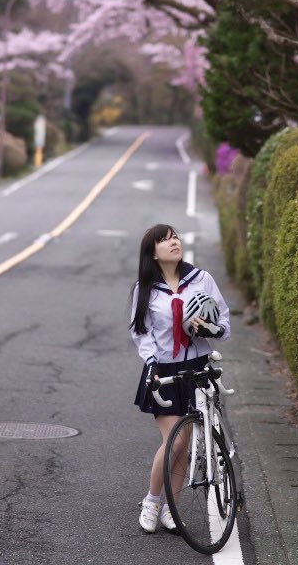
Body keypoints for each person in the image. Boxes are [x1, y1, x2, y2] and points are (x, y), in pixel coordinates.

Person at [129, 223, 230, 534]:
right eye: (164, 240)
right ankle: (152, 502)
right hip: (164, 371)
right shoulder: (144, 288)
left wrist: (211, 329)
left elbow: (224, 322)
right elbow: (140, 332)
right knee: (176, 440)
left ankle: (171, 508)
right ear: (154, 254)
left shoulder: (201, 279)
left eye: (174, 237)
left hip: (198, 368)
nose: (173, 242)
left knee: (186, 444)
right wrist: (152, 363)